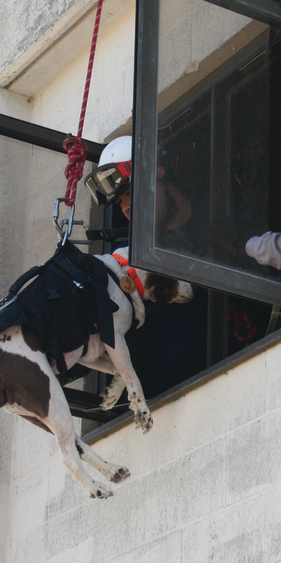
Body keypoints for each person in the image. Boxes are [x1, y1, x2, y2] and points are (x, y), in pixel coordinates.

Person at [84, 136, 208, 399]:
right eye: (119, 203)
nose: (125, 207)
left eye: (128, 193)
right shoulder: (131, 259)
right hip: (163, 397)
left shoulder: (213, 224)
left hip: (224, 370)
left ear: (158, 172)